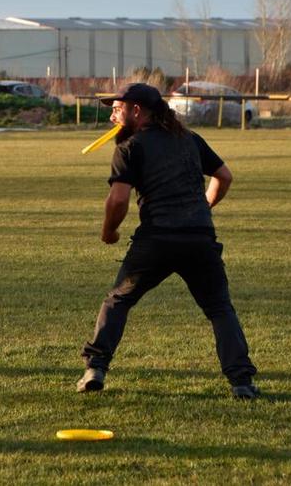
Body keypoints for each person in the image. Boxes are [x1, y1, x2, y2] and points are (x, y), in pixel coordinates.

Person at [77, 82, 259, 400]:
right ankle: (241, 381)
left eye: (117, 110)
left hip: (157, 239)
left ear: (136, 111)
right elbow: (225, 176)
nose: (112, 117)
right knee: (219, 309)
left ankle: (95, 368)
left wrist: (109, 232)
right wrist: (203, 207)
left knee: (118, 301)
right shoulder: (189, 139)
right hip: (199, 239)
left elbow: (118, 200)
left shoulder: (130, 147)